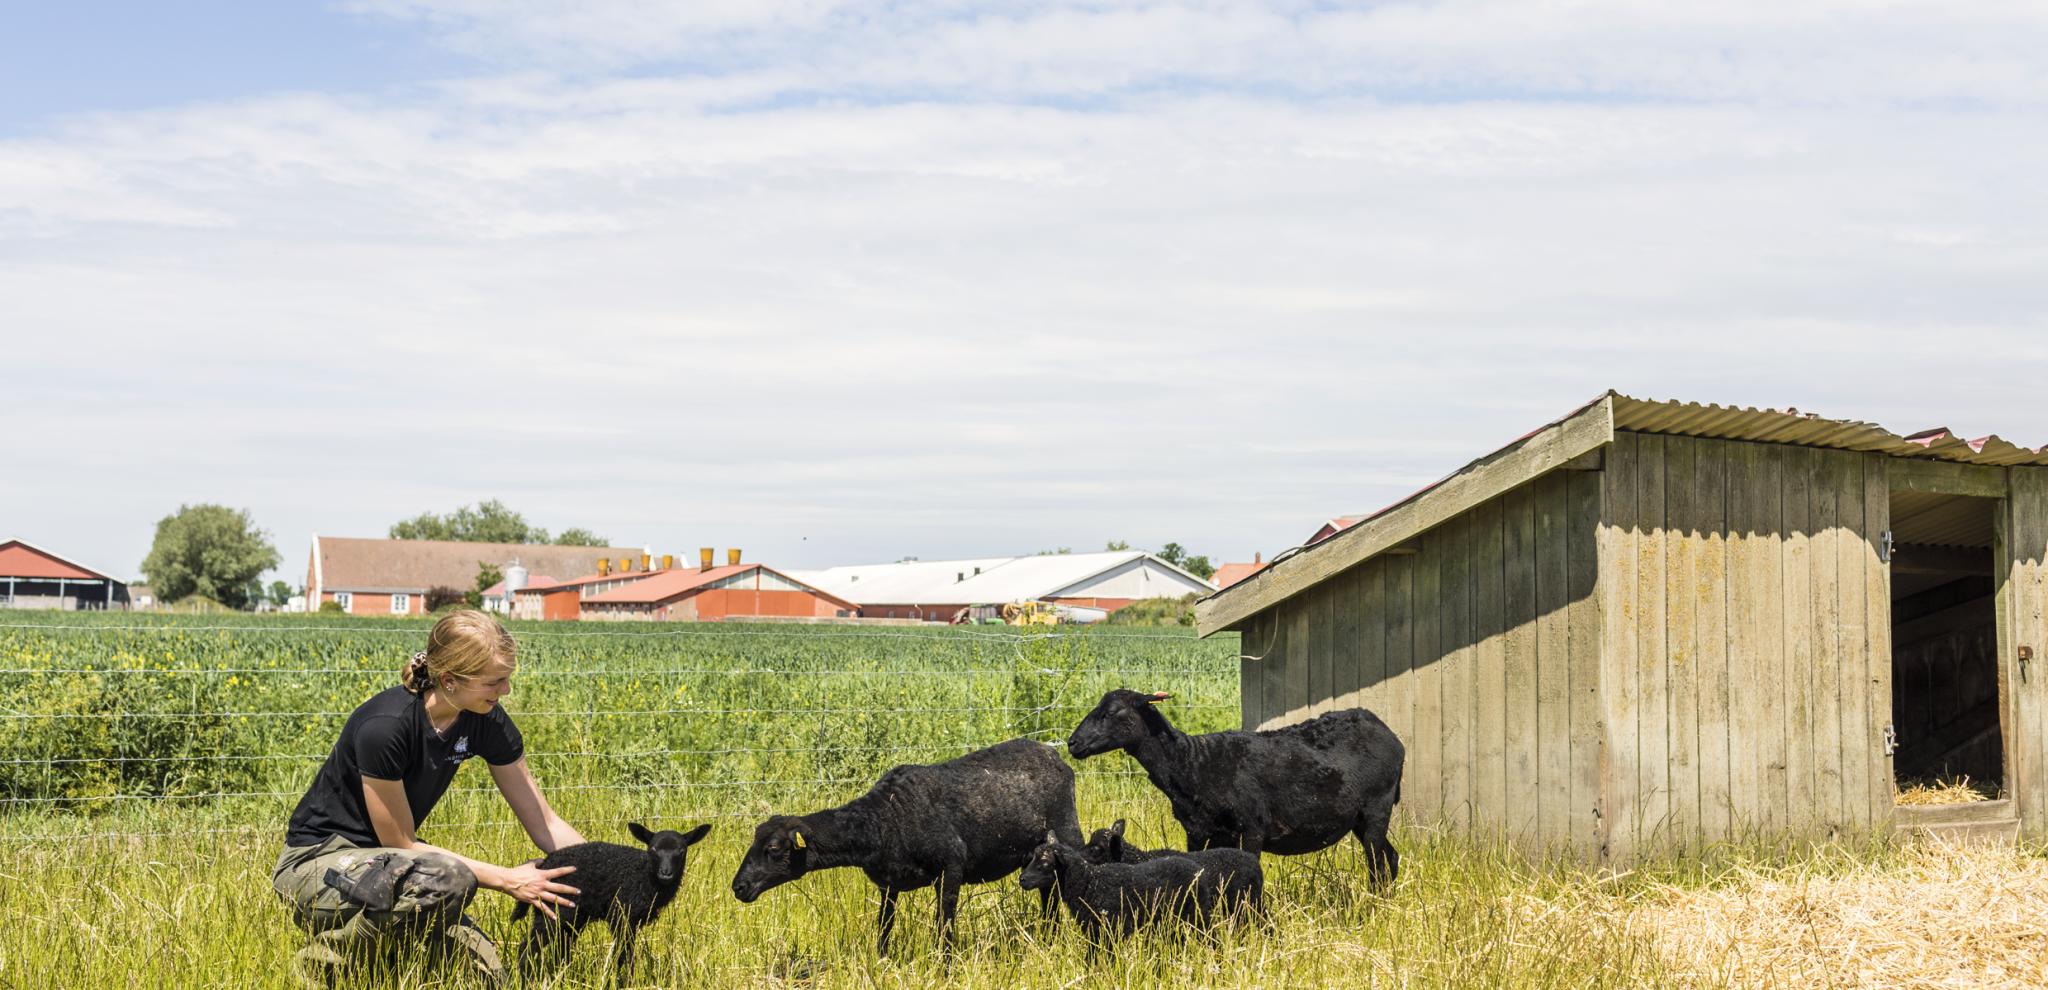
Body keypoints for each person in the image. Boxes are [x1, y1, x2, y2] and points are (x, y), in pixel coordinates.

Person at [271, 609, 584, 986]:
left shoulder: (486, 719)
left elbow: (545, 821)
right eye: (495, 682)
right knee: (447, 879)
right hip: (321, 863)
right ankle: (330, 965)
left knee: (490, 979)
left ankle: (388, 953)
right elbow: (400, 842)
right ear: (450, 680)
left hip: (396, 869)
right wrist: (508, 880)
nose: (506, 692)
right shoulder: (385, 727)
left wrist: (609, 868)